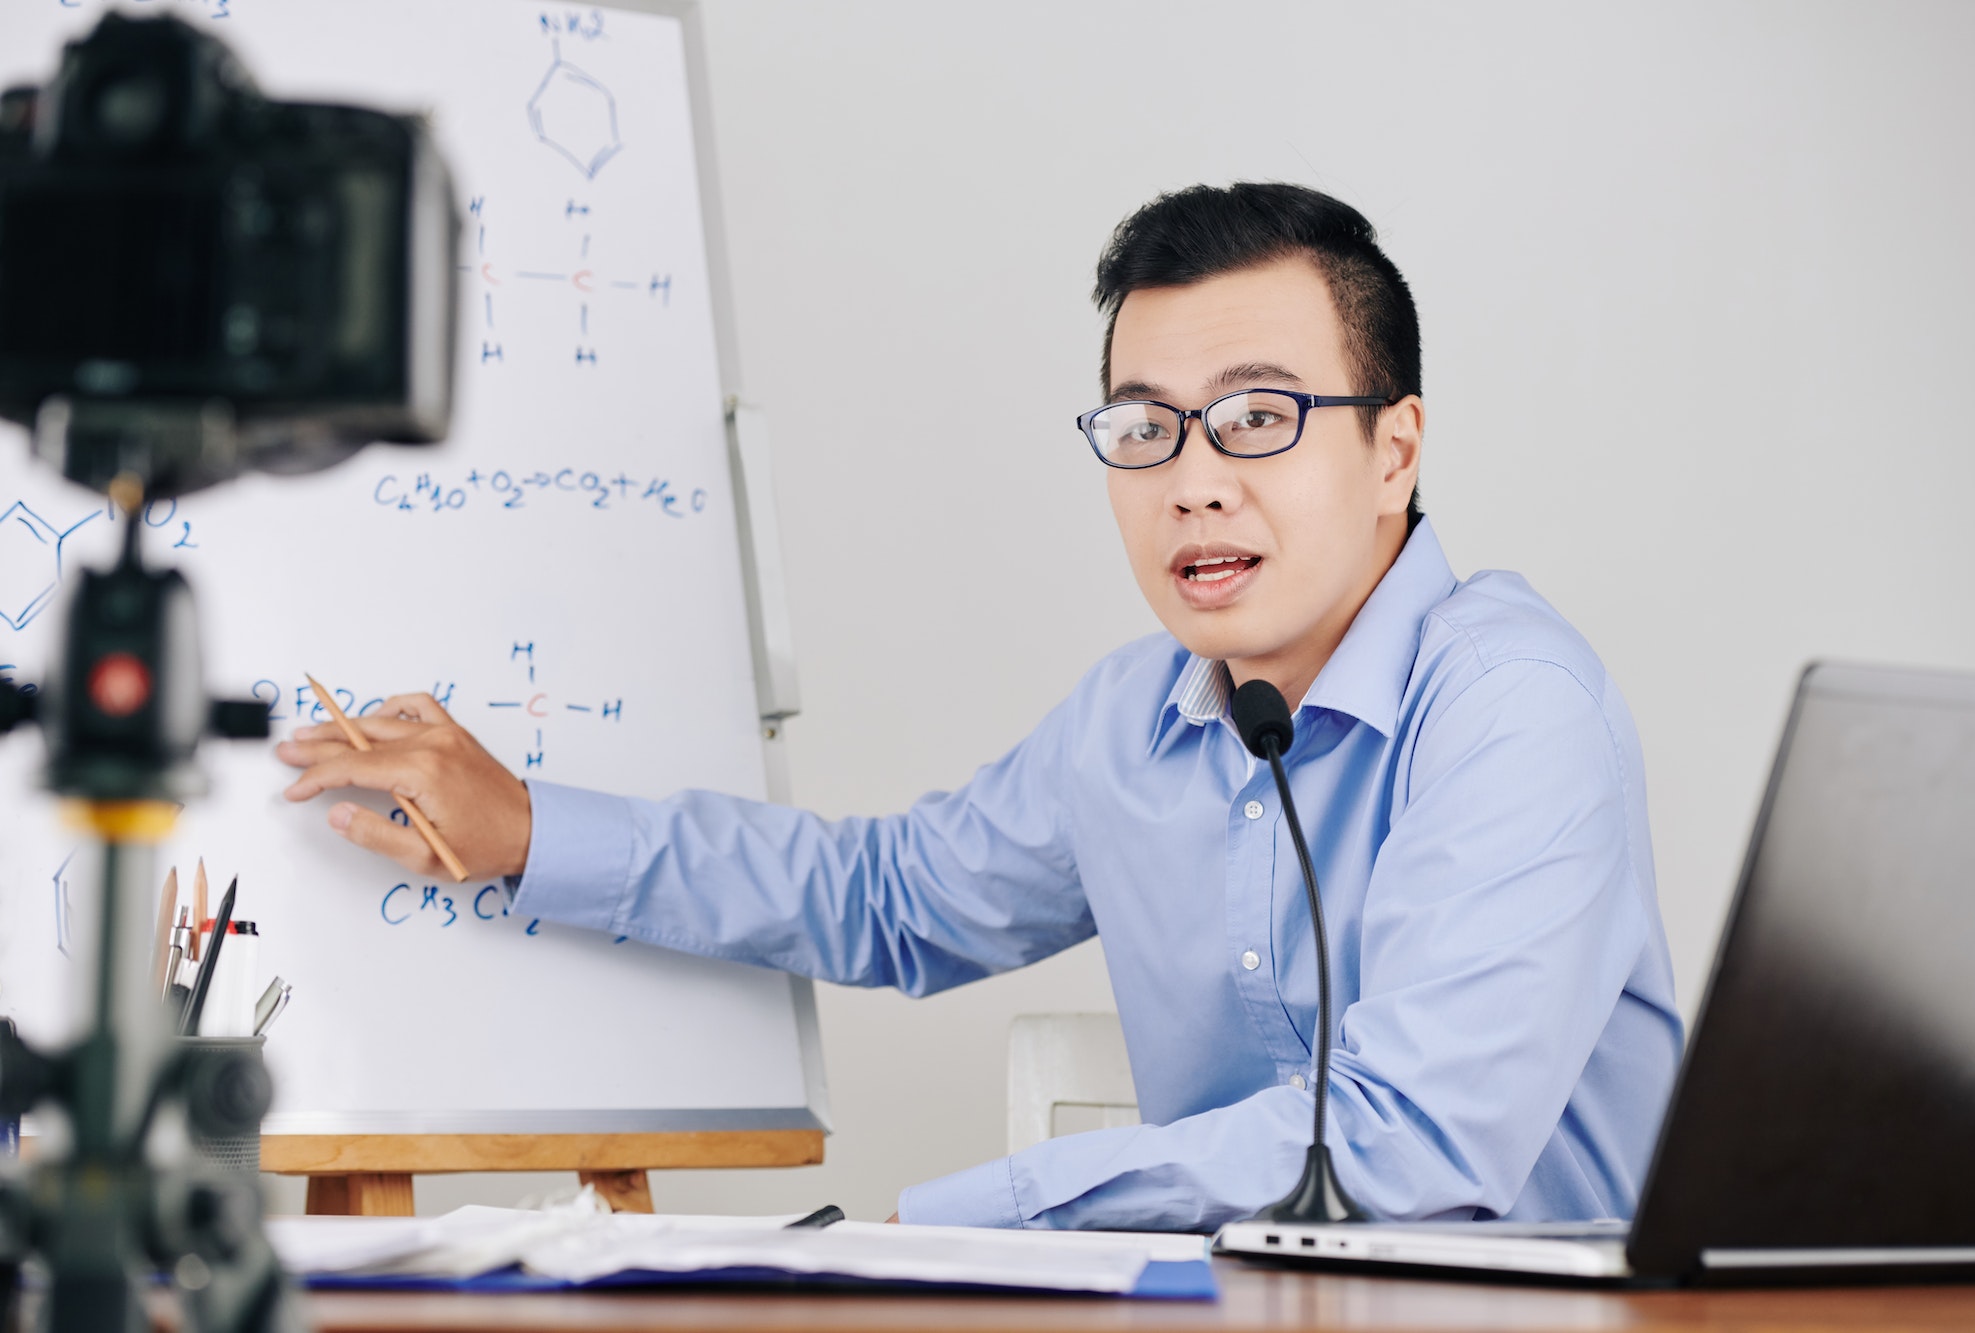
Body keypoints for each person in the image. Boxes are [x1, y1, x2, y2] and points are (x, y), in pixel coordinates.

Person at [277, 182, 1682, 1231]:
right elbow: (885, 895)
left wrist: (951, 1222)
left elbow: (1411, 1147)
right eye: (1145, 428)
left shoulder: (1510, 704)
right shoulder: (1134, 722)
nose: (1194, 478)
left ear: (1396, 450)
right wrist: (529, 830)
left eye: (1259, 417)